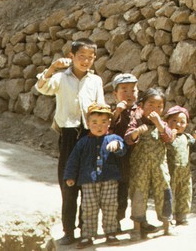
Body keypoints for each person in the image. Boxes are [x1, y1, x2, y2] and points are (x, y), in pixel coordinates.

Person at [35, 39, 104, 246]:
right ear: (71, 56)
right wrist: (52, 67)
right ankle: (68, 230)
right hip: (68, 135)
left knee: (88, 184)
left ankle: (86, 230)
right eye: (81, 57)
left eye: (90, 58)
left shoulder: (95, 81)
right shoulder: (60, 78)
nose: (85, 61)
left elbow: (100, 105)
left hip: (89, 135)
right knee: (68, 183)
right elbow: (42, 87)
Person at [63, 102, 128, 247]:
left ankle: (110, 232)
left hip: (109, 180)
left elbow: (122, 148)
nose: (99, 126)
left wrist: (117, 146)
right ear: (87, 123)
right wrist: (70, 176)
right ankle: (87, 235)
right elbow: (73, 160)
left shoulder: (113, 139)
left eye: (103, 122)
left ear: (109, 123)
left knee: (110, 206)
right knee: (89, 208)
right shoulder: (83, 142)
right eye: (95, 122)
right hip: (88, 181)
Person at [124, 86, 175, 237]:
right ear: (141, 106)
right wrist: (136, 132)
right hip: (140, 168)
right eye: (151, 104)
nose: (155, 108)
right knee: (139, 194)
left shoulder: (162, 124)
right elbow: (128, 139)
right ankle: (137, 228)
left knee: (164, 192)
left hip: (160, 166)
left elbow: (169, 138)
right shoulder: (136, 122)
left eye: (159, 106)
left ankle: (167, 224)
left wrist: (159, 124)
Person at [163, 105, 196, 227]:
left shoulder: (187, 137)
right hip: (171, 172)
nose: (178, 124)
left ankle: (182, 216)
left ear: (186, 125)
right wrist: (170, 137)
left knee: (184, 194)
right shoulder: (166, 138)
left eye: (182, 122)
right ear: (167, 122)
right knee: (170, 194)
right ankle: (169, 216)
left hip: (185, 173)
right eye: (174, 121)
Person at [107, 72, 139, 222]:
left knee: (139, 190)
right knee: (120, 191)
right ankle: (116, 221)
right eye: (124, 90)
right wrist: (117, 112)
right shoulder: (112, 112)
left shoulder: (140, 111)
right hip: (119, 159)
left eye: (133, 90)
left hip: (138, 157)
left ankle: (139, 221)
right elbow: (108, 127)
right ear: (115, 94)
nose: (129, 94)